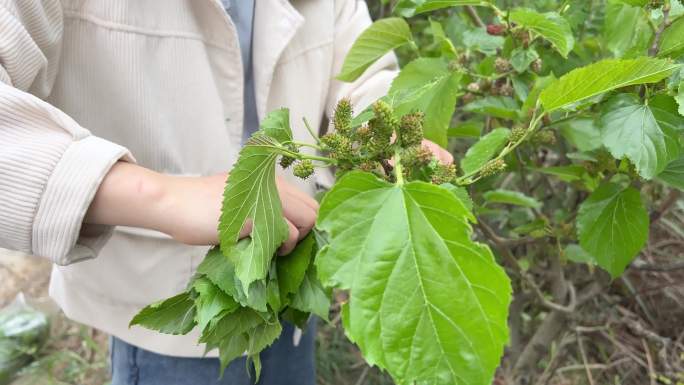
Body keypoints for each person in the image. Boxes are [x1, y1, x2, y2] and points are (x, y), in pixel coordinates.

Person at [0, 1, 452, 384]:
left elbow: (358, 74)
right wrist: (161, 196)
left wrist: (381, 135)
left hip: (293, 288)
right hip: (175, 320)